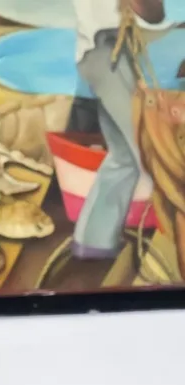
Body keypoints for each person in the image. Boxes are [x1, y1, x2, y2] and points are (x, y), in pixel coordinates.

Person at [71, 0, 171, 259]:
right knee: (153, 150)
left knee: (123, 156)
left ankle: (93, 242)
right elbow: (150, 12)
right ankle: (176, 243)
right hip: (110, 53)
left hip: (97, 54)